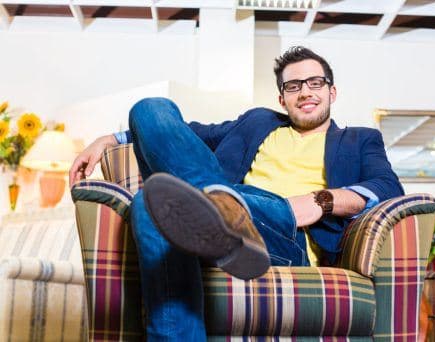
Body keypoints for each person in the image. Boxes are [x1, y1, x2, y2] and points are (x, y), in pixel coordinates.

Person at [69, 46, 404, 340]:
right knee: (150, 110)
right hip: (226, 202)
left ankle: (221, 210)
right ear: (282, 98)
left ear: (332, 92)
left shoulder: (360, 140)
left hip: (285, 232)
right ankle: (219, 207)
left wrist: (321, 201)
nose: (305, 92)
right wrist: (110, 139)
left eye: (315, 83)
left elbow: (388, 188)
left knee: (155, 203)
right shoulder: (257, 121)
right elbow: (182, 134)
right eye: (293, 86)